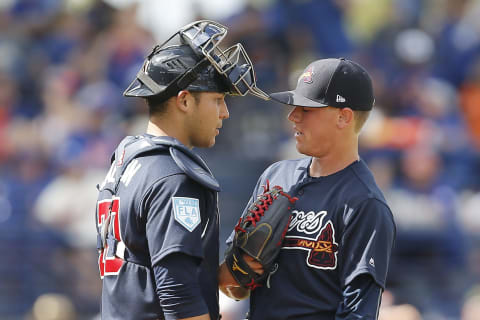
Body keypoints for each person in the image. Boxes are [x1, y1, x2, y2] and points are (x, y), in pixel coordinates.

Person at [95, 20, 267, 320]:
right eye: (217, 100)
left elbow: (152, 268)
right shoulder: (173, 177)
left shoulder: (128, 160)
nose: (225, 113)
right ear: (185, 100)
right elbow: (177, 294)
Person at [219, 58, 396, 319]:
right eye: (294, 106)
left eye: (307, 109)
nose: (293, 116)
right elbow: (233, 289)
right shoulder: (276, 176)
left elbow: (358, 312)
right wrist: (241, 269)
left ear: (343, 117)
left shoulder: (365, 203)